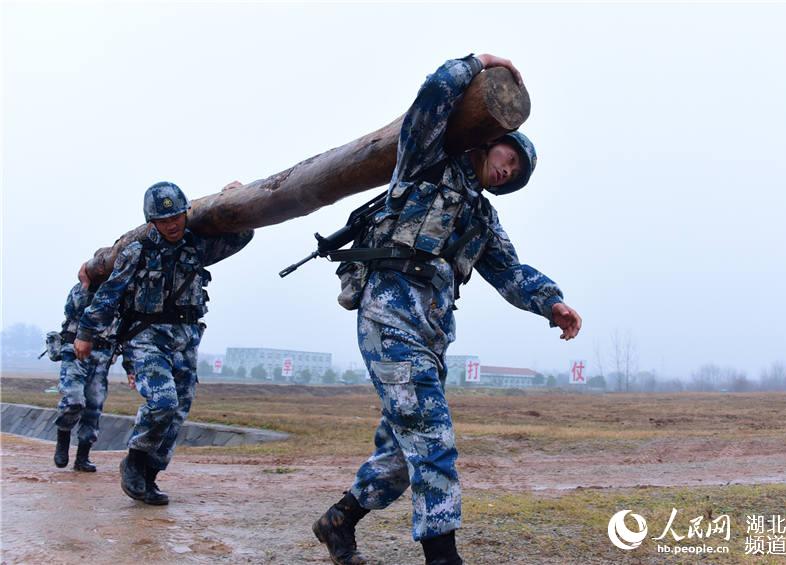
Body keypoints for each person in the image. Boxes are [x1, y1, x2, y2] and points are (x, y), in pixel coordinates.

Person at [313, 54, 582, 565]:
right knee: (433, 442)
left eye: (515, 174)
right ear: (489, 139)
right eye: (508, 156)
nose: (507, 171)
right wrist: (477, 62)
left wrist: (552, 302)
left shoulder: (481, 217)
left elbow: (510, 272)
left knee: (399, 455)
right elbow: (433, 96)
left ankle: (338, 521)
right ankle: (443, 556)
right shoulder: (424, 161)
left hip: (432, 335)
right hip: (388, 319)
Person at [73, 181, 253, 505]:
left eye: (177, 217)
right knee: (163, 401)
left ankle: (150, 476)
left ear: (185, 214)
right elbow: (109, 294)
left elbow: (241, 237)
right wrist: (85, 334)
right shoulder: (137, 250)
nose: (172, 225)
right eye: (163, 220)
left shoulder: (196, 246)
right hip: (146, 338)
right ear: (151, 221)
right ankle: (135, 458)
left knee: (178, 411)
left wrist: (234, 201)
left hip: (185, 339)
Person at [52, 282, 125, 471]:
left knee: (94, 407)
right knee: (73, 400)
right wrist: (86, 285)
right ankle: (63, 439)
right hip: (75, 351)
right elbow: (72, 311)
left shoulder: (119, 292)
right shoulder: (80, 289)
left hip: (102, 356)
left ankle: (82, 457)